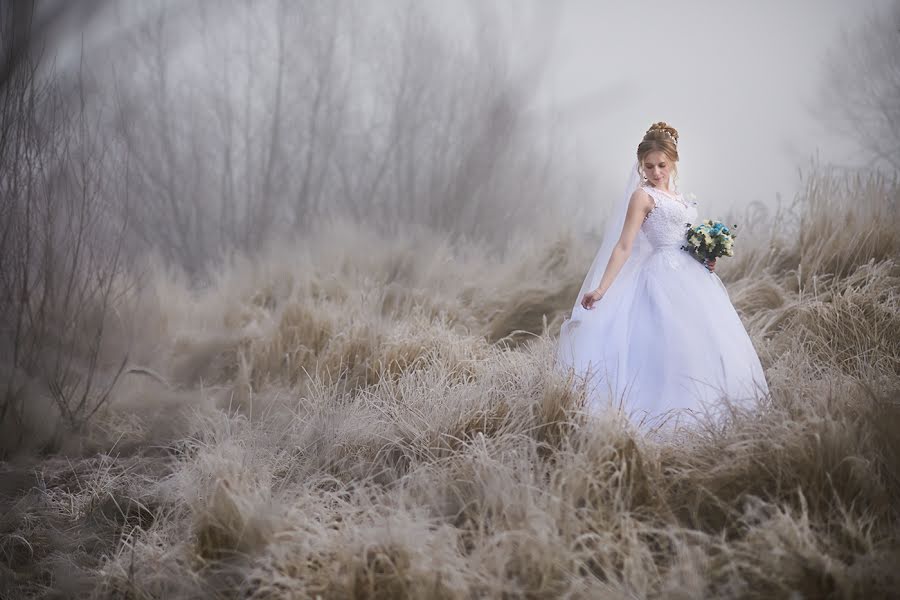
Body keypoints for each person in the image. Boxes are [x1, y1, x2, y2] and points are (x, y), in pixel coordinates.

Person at [556, 122, 768, 431]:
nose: (656, 172)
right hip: (659, 278)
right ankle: (664, 414)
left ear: (673, 163)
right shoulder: (642, 197)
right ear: (641, 166)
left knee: (703, 342)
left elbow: (683, 236)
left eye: (662, 165)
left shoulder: (681, 198)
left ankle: (712, 412)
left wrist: (705, 254)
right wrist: (601, 289)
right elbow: (624, 246)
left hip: (691, 277)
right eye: (649, 166)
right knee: (667, 344)